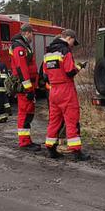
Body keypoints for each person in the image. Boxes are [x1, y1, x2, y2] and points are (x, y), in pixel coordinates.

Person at [43, 29, 89, 161]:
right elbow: (69, 72)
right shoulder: (65, 51)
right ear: (69, 38)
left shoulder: (48, 53)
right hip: (66, 90)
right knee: (71, 120)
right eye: (73, 42)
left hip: (53, 90)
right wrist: (79, 67)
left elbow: (45, 75)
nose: (73, 45)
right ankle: (76, 152)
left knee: (54, 120)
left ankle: (51, 148)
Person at [9, 23, 39, 151]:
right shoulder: (19, 47)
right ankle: (24, 142)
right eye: (32, 33)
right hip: (25, 86)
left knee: (28, 112)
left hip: (29, 85)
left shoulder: (23, 45)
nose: (32, 36)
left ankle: (27, 140)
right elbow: (22, 69)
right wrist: (28, 88)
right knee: (25, 113)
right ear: (26, 33)